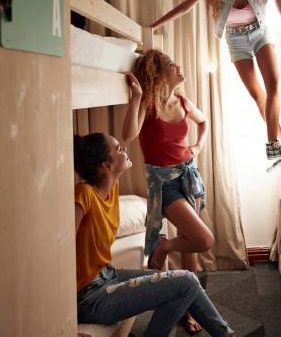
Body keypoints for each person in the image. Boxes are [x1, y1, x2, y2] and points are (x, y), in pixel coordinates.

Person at [74, 133, 233, 337]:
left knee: (186, 283)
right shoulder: (83, 194)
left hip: (108, 276)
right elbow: (62, 251)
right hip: (89, 296)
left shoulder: (111, 191)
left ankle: (226, 334)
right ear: (106, 166)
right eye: (118, 149)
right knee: (185, 282)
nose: (125, 149)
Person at [151, 0, 281, 160]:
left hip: (259, 33)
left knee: (274, 84)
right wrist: (155, 25)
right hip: (235, 40)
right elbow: (186, 5)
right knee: (259, 97)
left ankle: (272, 145)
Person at [122, 49, 213, 334]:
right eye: (173, 64)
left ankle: (190, 310)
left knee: (193, 250)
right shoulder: (148, 105)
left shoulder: (183, 101)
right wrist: (136, 97)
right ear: (160, 74)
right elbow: (128, 135)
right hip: (165, 186)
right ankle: (163, 247)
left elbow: (204, 122)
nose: (179, 66)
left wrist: (197, 147)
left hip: (189, 177)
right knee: (203, 239)